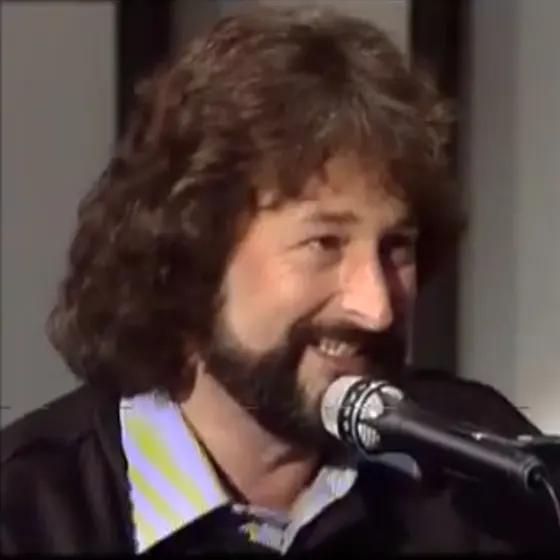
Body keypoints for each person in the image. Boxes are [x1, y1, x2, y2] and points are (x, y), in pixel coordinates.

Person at [1, 7, 558, 554]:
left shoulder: (482, 475)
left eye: (396, 248)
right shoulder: (28, 515)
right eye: (324, 243)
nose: (378, 308)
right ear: (192, 255)